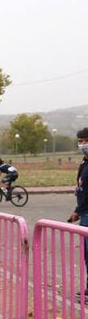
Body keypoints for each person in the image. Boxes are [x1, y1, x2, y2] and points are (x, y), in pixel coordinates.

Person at [68, 127, 88, 299]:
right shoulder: (84, 163)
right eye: (80, 141)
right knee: (86, 254)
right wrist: (77, 211)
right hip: (84, 214)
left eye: (85, 141)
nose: (82, 144)